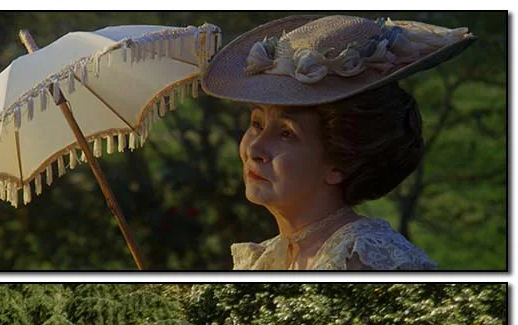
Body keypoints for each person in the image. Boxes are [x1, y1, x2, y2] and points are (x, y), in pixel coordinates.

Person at [201, 15, 473, 270]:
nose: (254, 149)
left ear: (339, 162)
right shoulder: (268, 257)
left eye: (286, 133)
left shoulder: (364, 257)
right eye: (257, 124)